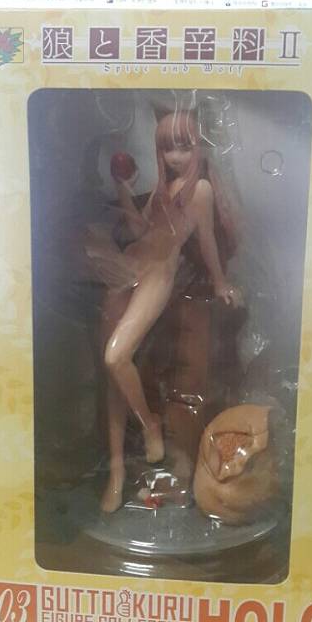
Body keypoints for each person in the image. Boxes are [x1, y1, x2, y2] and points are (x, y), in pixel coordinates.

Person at [86, 109, 241, 512]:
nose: (175, 157)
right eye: (167, 148)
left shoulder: (200, 190)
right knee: (113, 375)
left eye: (183, 147)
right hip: (130, 267)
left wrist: (220, 283)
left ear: (198, 147)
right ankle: (117, 471)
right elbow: (139, 230)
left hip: (159, 274)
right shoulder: (162, 189)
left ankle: (149, 424)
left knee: (116, 356)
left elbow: (206, 240)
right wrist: (123, 189)